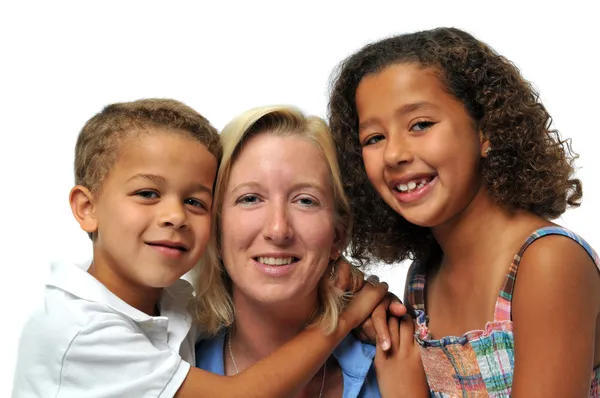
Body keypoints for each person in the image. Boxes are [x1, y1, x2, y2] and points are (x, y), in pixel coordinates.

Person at [12, 98, 389, 398]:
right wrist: (344, 319)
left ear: (338, 234)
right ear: (87, 207)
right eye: (147, 193)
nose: (175, 216)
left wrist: (348, 286)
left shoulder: (173, 303)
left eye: (195, 202)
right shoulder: (79, 331)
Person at [328, 27, 600, 397]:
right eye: (374, 138)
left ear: (486, 130)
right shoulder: (423, 279)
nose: (393, 154)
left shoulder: (548, 262)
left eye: (420, 125)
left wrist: (406, 389)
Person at [194, 105, 385, 397]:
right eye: (250, 198)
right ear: (215, 230)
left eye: (305, 200)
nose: (278, 229)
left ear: (338, 234)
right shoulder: (170, 366)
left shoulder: (395, 365)